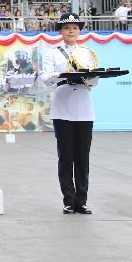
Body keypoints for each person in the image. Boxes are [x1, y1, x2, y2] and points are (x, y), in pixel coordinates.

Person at [40, 12, 98, 215]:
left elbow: (94, 81)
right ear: (60, 31)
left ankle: (81, 201)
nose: (71, 31)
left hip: (84, 110)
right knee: (65, 157)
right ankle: (68, 200)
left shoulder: (88, 53)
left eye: (74, 28)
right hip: (62, 109)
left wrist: (87, 77)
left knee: (83, 157)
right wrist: (63, 74)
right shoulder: (52, 53)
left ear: (79, 31)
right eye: (66, 28)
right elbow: (45, 78)